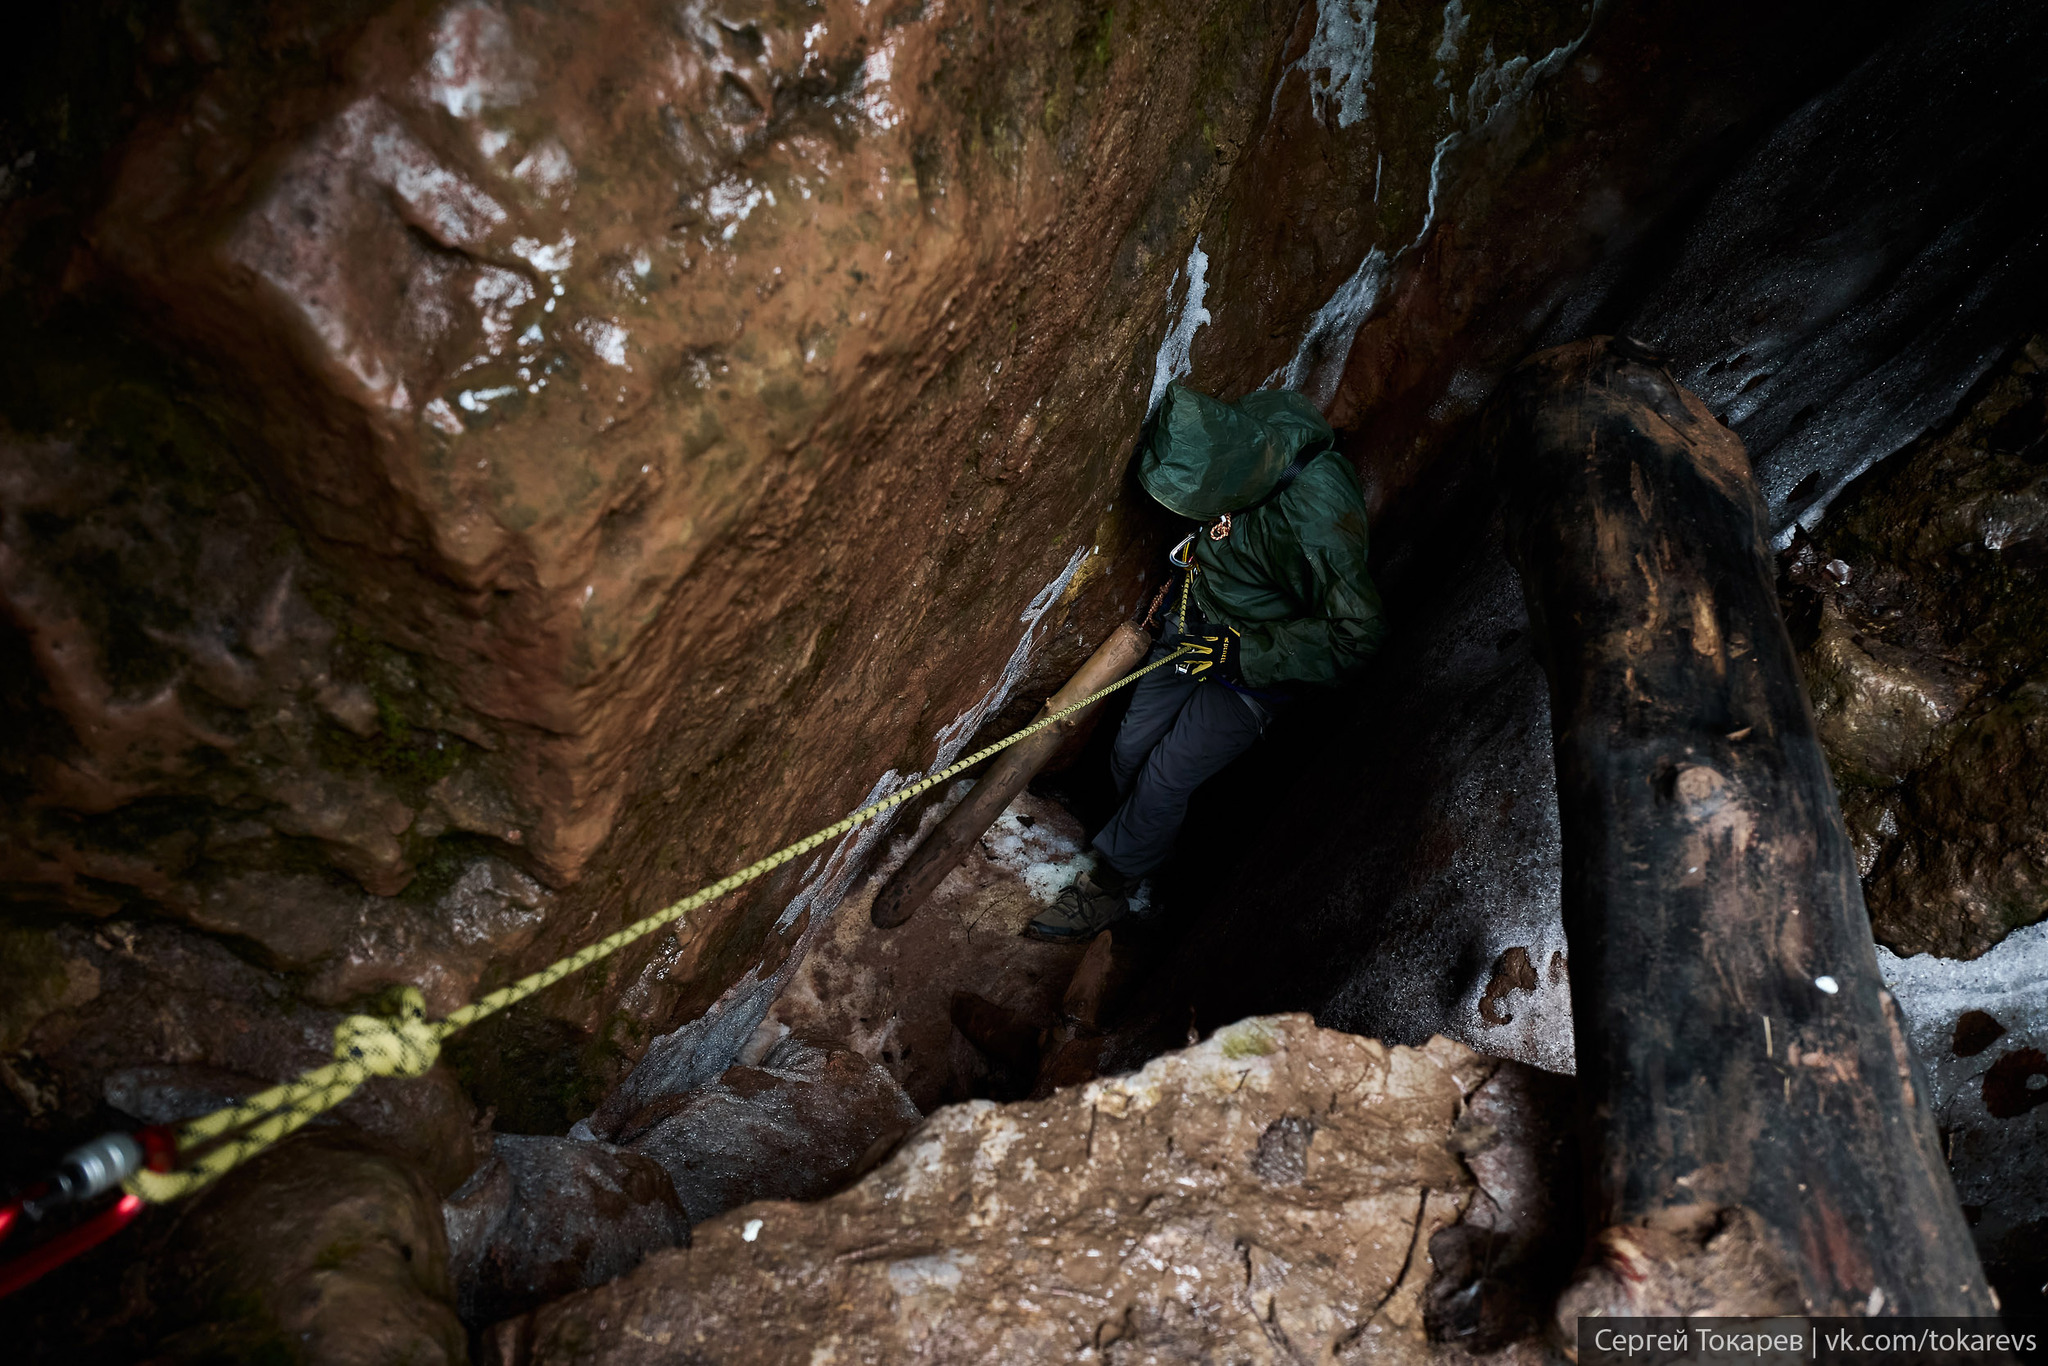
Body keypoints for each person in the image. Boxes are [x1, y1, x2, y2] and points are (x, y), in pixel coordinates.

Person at [1023, 383, 1386, 942]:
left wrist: (1245, 652)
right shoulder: (1251, 428)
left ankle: (1112, 887)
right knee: (1129, 751)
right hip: (1196, 619)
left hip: (1257, 663)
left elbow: (1357, 635)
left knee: (1166, 775)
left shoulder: (1317, 526)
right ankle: (1145, 847)